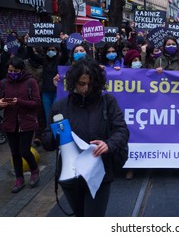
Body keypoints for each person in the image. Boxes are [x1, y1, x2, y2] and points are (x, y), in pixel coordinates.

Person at [43, 57, 130, 216]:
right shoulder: (60, 106)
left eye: (90, 84)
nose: (86, 89)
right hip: (71, 178)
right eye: (82, 84)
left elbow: (122, 130)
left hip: (99, 175)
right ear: (74, 81)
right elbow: (47, 141)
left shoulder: (107, 102)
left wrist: (109, 144)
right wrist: (56, 136)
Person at [0, 56, 41, 193]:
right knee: (15, 153)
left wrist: (19, 102)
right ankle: (19, 178)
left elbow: (36, 103)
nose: (13, 73)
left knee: (24, 150)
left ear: (22, 70)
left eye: (16, 70)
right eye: (10, 70)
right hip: (10, 123)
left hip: (27, 122)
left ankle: (34, 170)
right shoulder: (4, 83)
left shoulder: (31, 82)